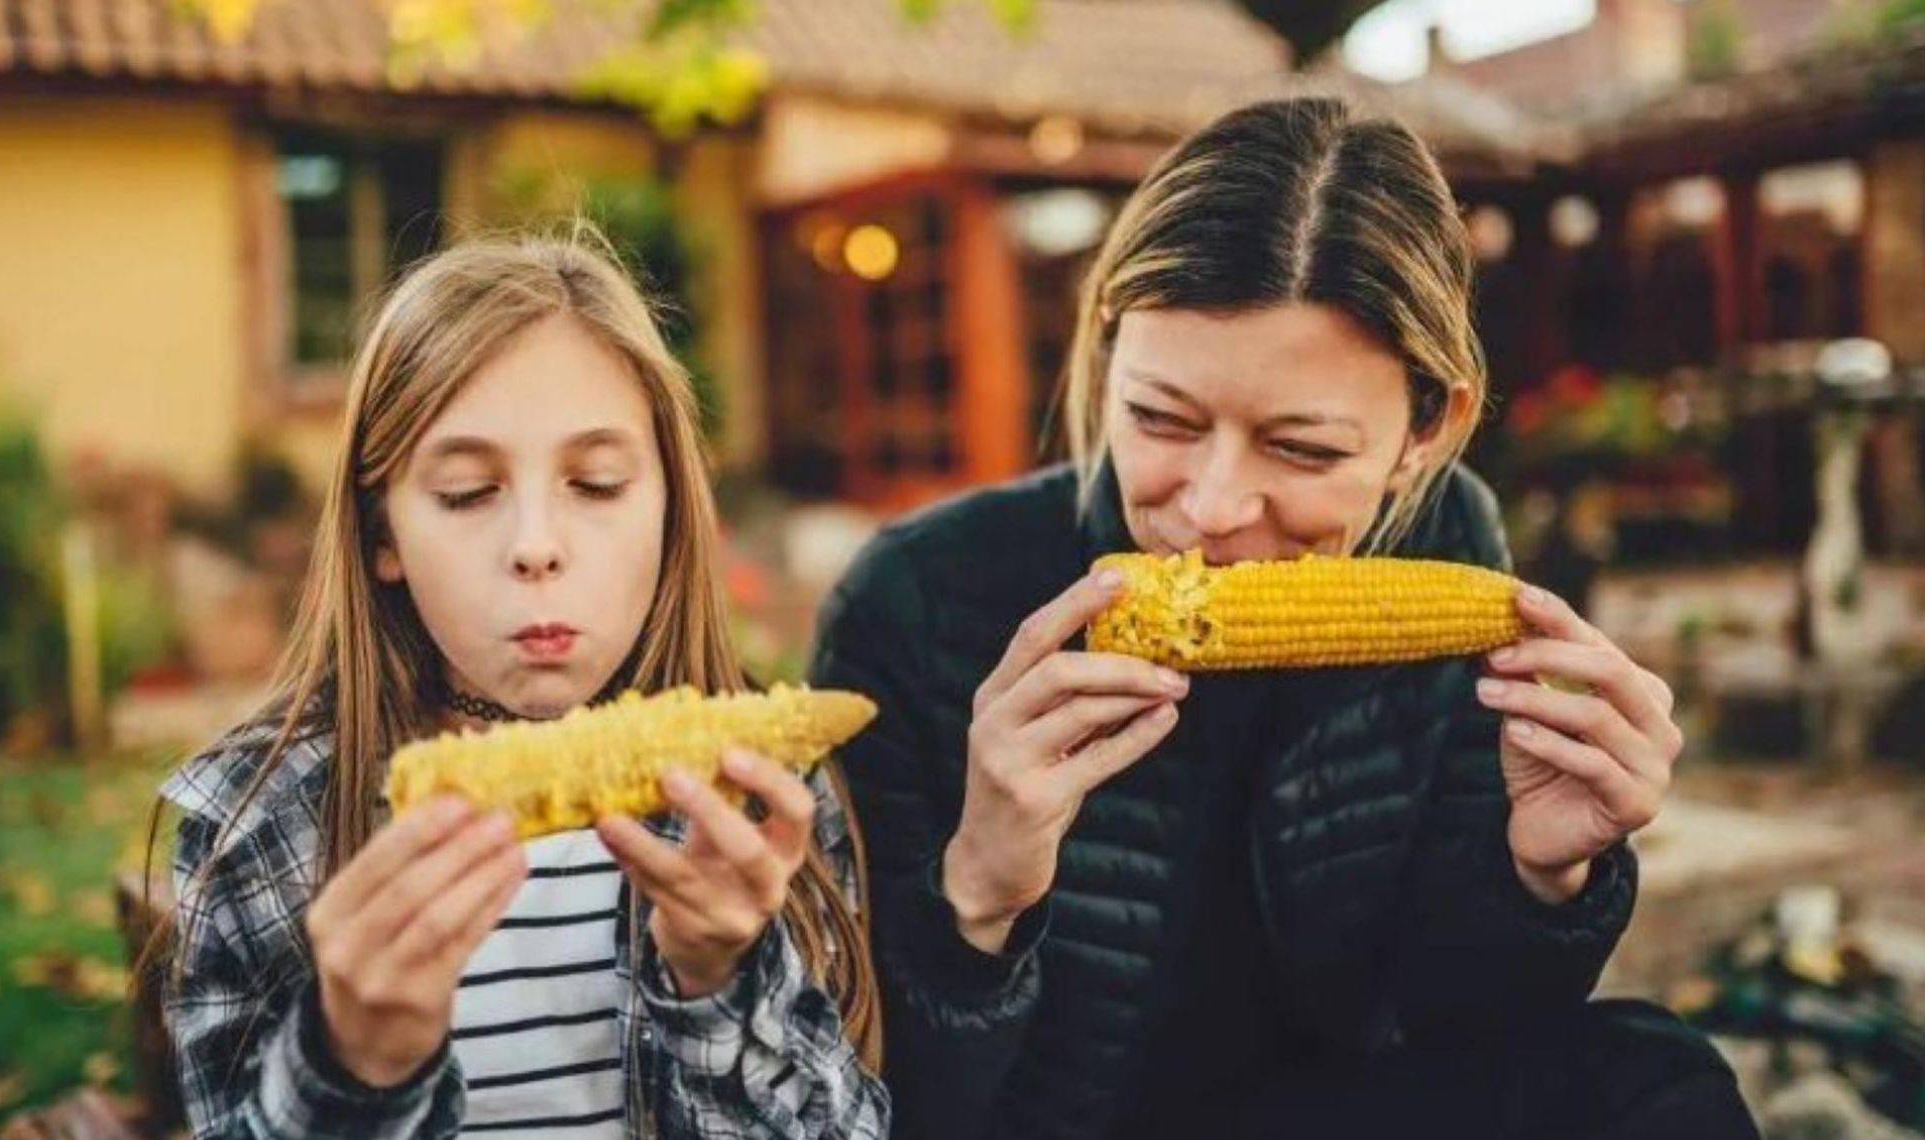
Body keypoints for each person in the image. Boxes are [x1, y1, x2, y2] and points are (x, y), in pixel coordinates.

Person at [810, 98, 1757, 1139]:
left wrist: (1541, 874)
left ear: (1424, 429)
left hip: (1319, 1107)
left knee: (1656, 1073)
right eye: (1159, 419)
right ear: (1106, 359)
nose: (1213, 508)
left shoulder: (1450, 536)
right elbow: (858, 1092)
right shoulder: (916, 597)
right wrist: (976, 892)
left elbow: (1463, 1026)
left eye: (1301, 450)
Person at [156, 232, 887, 1139]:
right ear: (382, 535)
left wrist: (722, 981)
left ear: (669, 509)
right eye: (467, 493)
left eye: (597, 482)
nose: (536, 544)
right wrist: (352, 1067)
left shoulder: (760, 798)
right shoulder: (257, 823)